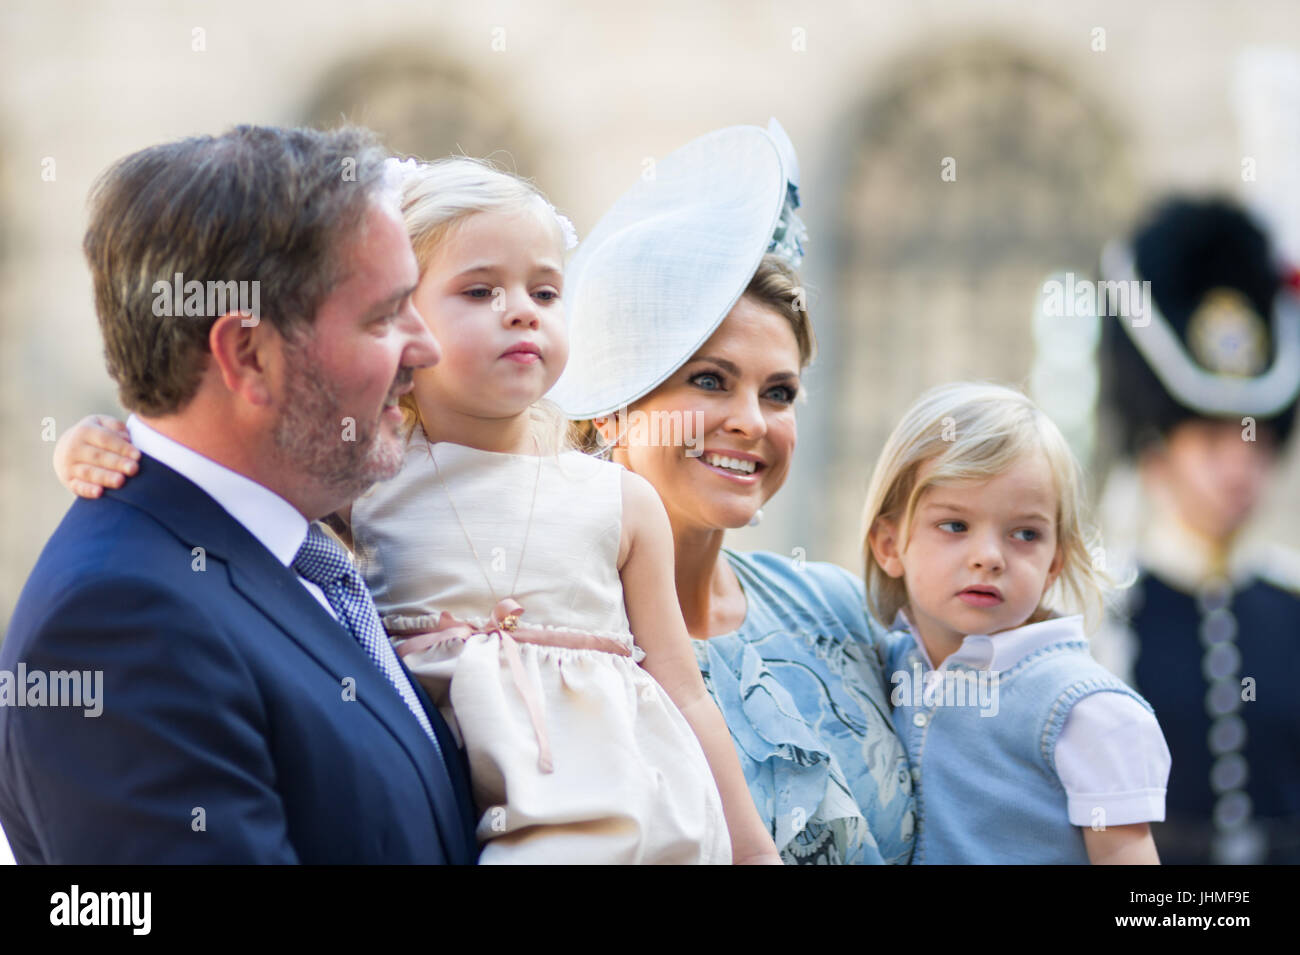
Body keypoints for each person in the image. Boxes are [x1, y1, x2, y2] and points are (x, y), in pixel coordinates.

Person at [52, 154, 780, 865]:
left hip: (627, 820)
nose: (522, 310)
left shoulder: (616, 497)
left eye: (547, 292)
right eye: (479, 291)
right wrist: (105, 444)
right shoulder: (361, 481)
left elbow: (684, 693)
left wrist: (751, 847)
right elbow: (220, 470)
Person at [2, 125, 478, 864]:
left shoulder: (300, 552)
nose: (426, 348)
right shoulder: (122, 623)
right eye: (384, 316)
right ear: (248, 355)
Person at [553, 121, 917, 864]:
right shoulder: (555, 647)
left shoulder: (833, 608)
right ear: (611, 403)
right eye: (710, 380)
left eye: (779, 392)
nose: (751, 422)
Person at [863, 382, 1170, 864]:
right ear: (888, 545)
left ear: (1054, 563)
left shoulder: (1087, 713)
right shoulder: (874, 663)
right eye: (955, 526)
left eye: (1025, 533)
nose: (988, 558)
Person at [1093, 197, 1300, 864]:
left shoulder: (1291, 601)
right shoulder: (1102, 613)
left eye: (1256, 440)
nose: (1241, 465)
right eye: (1212, 439)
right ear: (1157, 448)